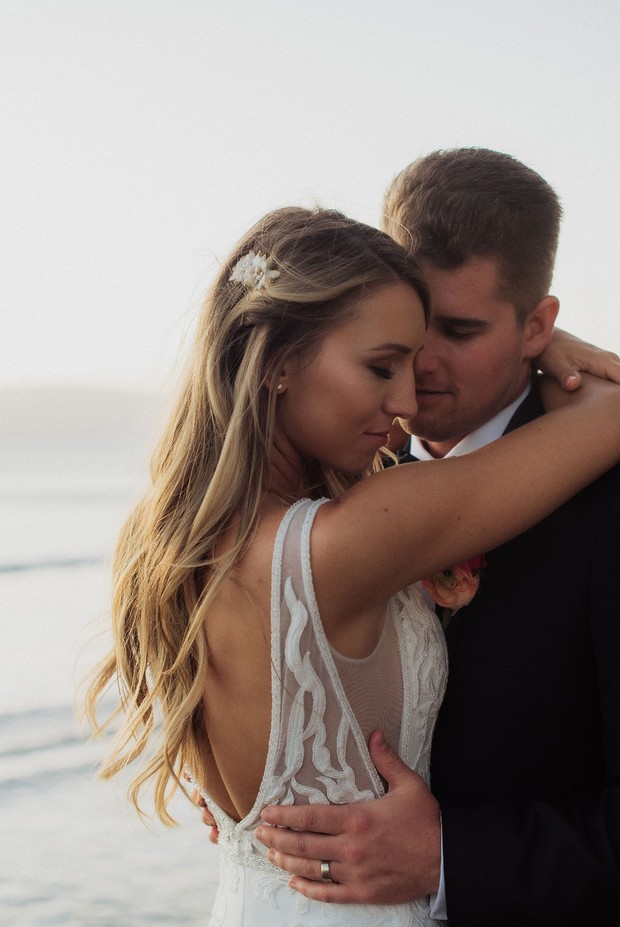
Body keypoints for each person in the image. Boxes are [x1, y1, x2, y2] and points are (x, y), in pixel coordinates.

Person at [86, 203, 620, 927]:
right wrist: (552, 344)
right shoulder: (352, 535)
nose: (405, 401)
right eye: (382, 365)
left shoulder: (175, 534)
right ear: (275, 360)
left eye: (440, 340)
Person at [256, 151, 620, 925]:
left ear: (539, 327)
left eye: (459, 330)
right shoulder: (332, 467)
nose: (418, 364)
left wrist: (451, 856)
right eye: (412, 322)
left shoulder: (608, 500)